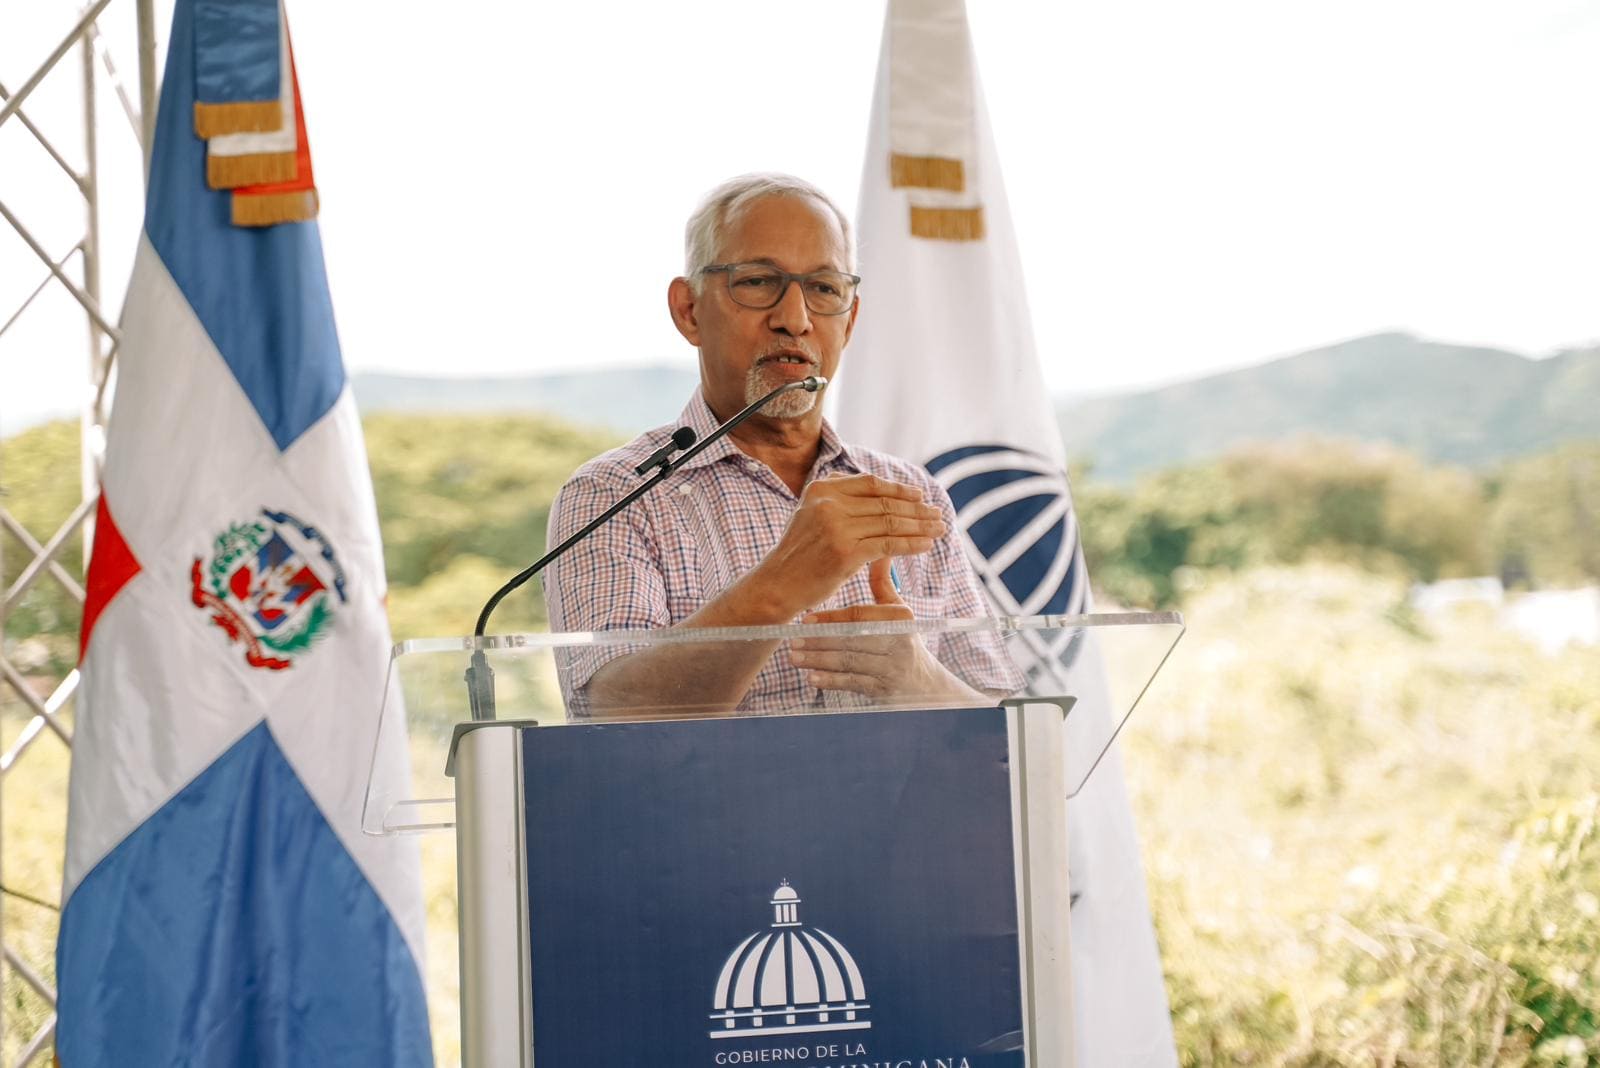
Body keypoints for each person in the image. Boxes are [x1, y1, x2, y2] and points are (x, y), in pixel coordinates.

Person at [542, 173, 1018, 717]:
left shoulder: (910, 493)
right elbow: (612, 717)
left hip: (900, 804)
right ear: (689, 310)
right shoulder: (612, 495)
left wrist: (916, 678)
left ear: (851, 319)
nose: (794, 320)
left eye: (823, 289)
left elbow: (1005, 731)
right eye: (758, 282)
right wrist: (783, 583)